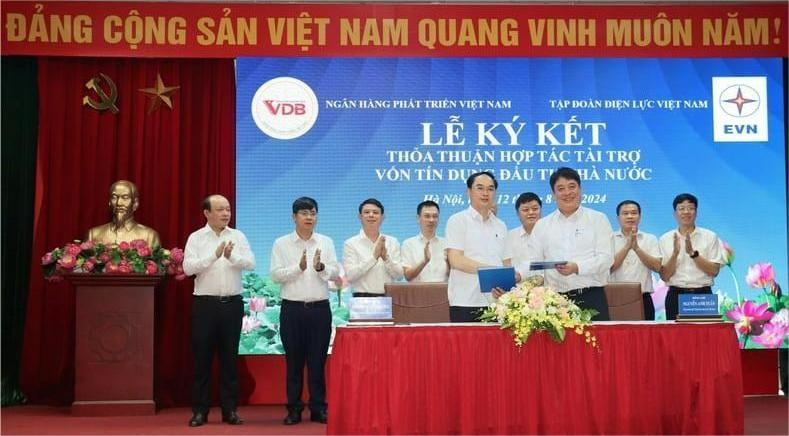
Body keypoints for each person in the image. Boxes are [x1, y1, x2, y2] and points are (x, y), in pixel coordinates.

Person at [183, 195, 255, 427]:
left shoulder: (238, 236)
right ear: (207, 213)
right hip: (205, 305)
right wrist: (214, 255)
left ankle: (229, 410)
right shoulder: (196, 238)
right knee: (202, 359)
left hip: (232, 304)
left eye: (228, 209)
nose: (226, 213)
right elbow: (188, 268)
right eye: (220, 209)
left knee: (229, 360)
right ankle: (200, 411)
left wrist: (231, 256)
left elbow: (250, 263)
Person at [270, 197, 337, 425]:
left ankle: (318, 408)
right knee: (294, 362)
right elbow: (275, 275)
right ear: (294, 217)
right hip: (293, 310)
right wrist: (296, 269)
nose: (310, 217)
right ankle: (294, 409)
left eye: (313, 213)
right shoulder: (281, 244)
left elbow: (335, 272)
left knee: (318, 362)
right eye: (305, 213)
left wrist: (321, 267)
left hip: (319, 310)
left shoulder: (326, 242)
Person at [531, 167, 614, 321]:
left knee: (595, 345)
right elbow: (536, 266)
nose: (567, 193)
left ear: (580, 189)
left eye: (571, 186)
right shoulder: (542, 225)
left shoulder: (598, 219)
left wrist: (577, 267)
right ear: (553, 194)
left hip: (592, 297)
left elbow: (606, 259)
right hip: (555, 302)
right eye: (561, 189)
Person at [445, 171, 513, 322]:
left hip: (497, 303)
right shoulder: (457, 221)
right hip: (465, 301)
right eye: (480, 188)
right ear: (468, 191)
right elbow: (456, 260)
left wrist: (506, 287)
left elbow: (506, 263)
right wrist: (492, 271)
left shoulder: (501, 225)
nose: (485, 193)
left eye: (490, 189)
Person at [659, 193, 724, 321]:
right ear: (675, 213)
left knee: (704, 338)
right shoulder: (665, 239)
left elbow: (714, 271)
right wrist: (674, 254)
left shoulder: (710, 236)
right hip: (675, 295)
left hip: (702, 297)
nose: (686, 212)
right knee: (676, 338)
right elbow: (665, 276)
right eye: (681, 208)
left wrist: (693, 254)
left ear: (696, 212)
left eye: (690, 208)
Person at [609, 200, 662, 320]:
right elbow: (608, 268)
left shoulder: (650, 239)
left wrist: (637, 248)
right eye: (625, 213)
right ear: (618, 218)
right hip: (616, 300)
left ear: (640, 216)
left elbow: (657, 267)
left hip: (643, 299)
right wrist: (627, 247)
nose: (630, 216)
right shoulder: (609, 239)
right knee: (616, 338)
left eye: (634, 213)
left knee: (646, 338)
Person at [343, 198, 403, 296]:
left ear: (382, 217)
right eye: (366, 212)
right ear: (360, 216)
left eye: (375, 212)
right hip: (361, 299)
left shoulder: (392, 242)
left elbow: (399, 276)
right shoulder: (350, 243)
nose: (371, 215)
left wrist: (386, 258)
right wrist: (374, 257)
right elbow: (350, 276)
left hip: (387, 298)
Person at [87, 180, 160, 247]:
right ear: (109, 202)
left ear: (135, 203)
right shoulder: (93, 234)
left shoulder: (149, 236)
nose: (119, 203)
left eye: (125, 198)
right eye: (114, 197)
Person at [401, 200, 449, 282]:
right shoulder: (408, 244)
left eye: (435, 216)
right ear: (418, 218)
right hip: (418, 292)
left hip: (443, 291)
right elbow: (407, 276)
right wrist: (424, 261)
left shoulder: (446, 243)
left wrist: (449, 264)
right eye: (427, 216)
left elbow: (453, 276)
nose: (431, 220)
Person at [505, 192, 542, 280]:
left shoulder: (550, 234)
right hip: (516, 290)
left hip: (547, 289)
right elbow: (506, 266)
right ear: (517, 213)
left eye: (535, 209)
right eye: (525, 210)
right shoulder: (509, 237)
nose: (531, 212)